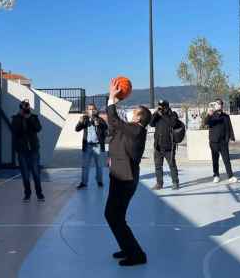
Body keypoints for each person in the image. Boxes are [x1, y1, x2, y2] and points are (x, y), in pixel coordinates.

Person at [104, 78, 151, 267]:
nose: (132, 112)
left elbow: (114, 120)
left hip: (125, 178)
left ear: (139, 118)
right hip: (121, 176)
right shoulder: (132, 129)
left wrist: (111, 98)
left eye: (135, 111)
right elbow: (114, 127)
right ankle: (128, 248)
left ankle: (137, 255)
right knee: (116, 216)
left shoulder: (137, 130)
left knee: (112, 216)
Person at [12, 99, 45, 202]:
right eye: (24, 107)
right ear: (20, 108)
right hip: (22, 150)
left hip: (33, 150)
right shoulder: (16, 118)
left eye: (27, 106)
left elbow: (38, 128)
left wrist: (29, 118)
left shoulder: (33, 117)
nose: (26, 109)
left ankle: (39, 194)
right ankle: (27, 194)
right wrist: (20, 118)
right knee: (25, 174)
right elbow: (15, 131)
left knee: (36, 173)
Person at [203, 99, 237, 183]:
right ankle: (216, 175)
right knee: (215, 159)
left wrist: (230, 137)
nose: (220, 105)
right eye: (218, 103)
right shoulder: (211, 115)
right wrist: (209, 115)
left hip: (223, 142)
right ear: (215, 105)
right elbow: (205, 123)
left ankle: (230, 176)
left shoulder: (226, 116)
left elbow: (229, 127)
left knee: (227, 160)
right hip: (213, 142)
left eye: (221, 103)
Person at [75, 103, 108, 189]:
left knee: (99, 166)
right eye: (89, 109)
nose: (91, 110)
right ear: (87, 110)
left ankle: (99, 181)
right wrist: (80, 122)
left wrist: (99, 125)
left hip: (98, 145)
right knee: (85, 165)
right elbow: (77, 129)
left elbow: (106, 130)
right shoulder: (85, 119)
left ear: (96, 110)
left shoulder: (100, 119)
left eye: (93, 109)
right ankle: (84, 183)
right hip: (87, 146)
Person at [150, 100, 180, 190]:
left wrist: (163, 115)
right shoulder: (158, 115)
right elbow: (151, 123)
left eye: (162, 107)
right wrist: (156, 114)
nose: (161, 109)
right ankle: (159, 183)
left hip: (169, 146)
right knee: (158, 166)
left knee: (172, 165)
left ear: (167, 107)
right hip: (158, 146)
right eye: (160, 107)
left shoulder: (173, 114)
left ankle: (175, 182)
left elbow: (172, 124)